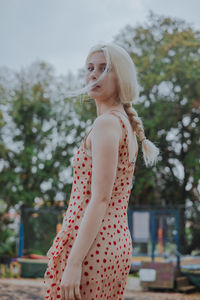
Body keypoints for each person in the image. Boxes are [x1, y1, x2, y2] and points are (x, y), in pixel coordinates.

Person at [43, 43, 159, 300]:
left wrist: (73, 263)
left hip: (92, 248)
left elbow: (101, 199)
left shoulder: (107, 123)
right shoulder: (122, 122)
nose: (93, 74)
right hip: (113, 242)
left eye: (104, 68)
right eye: (90, 68)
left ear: (122, 78)